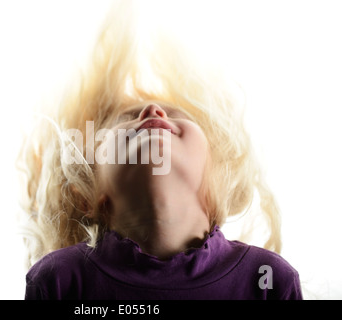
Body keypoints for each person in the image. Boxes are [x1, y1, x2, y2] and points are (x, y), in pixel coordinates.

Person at [17, 1, 302, 300]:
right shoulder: (60, 280)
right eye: (128, 118)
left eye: (177, 115)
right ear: (88, 193)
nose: (153, 112)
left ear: (215, 181)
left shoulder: (269, 279)